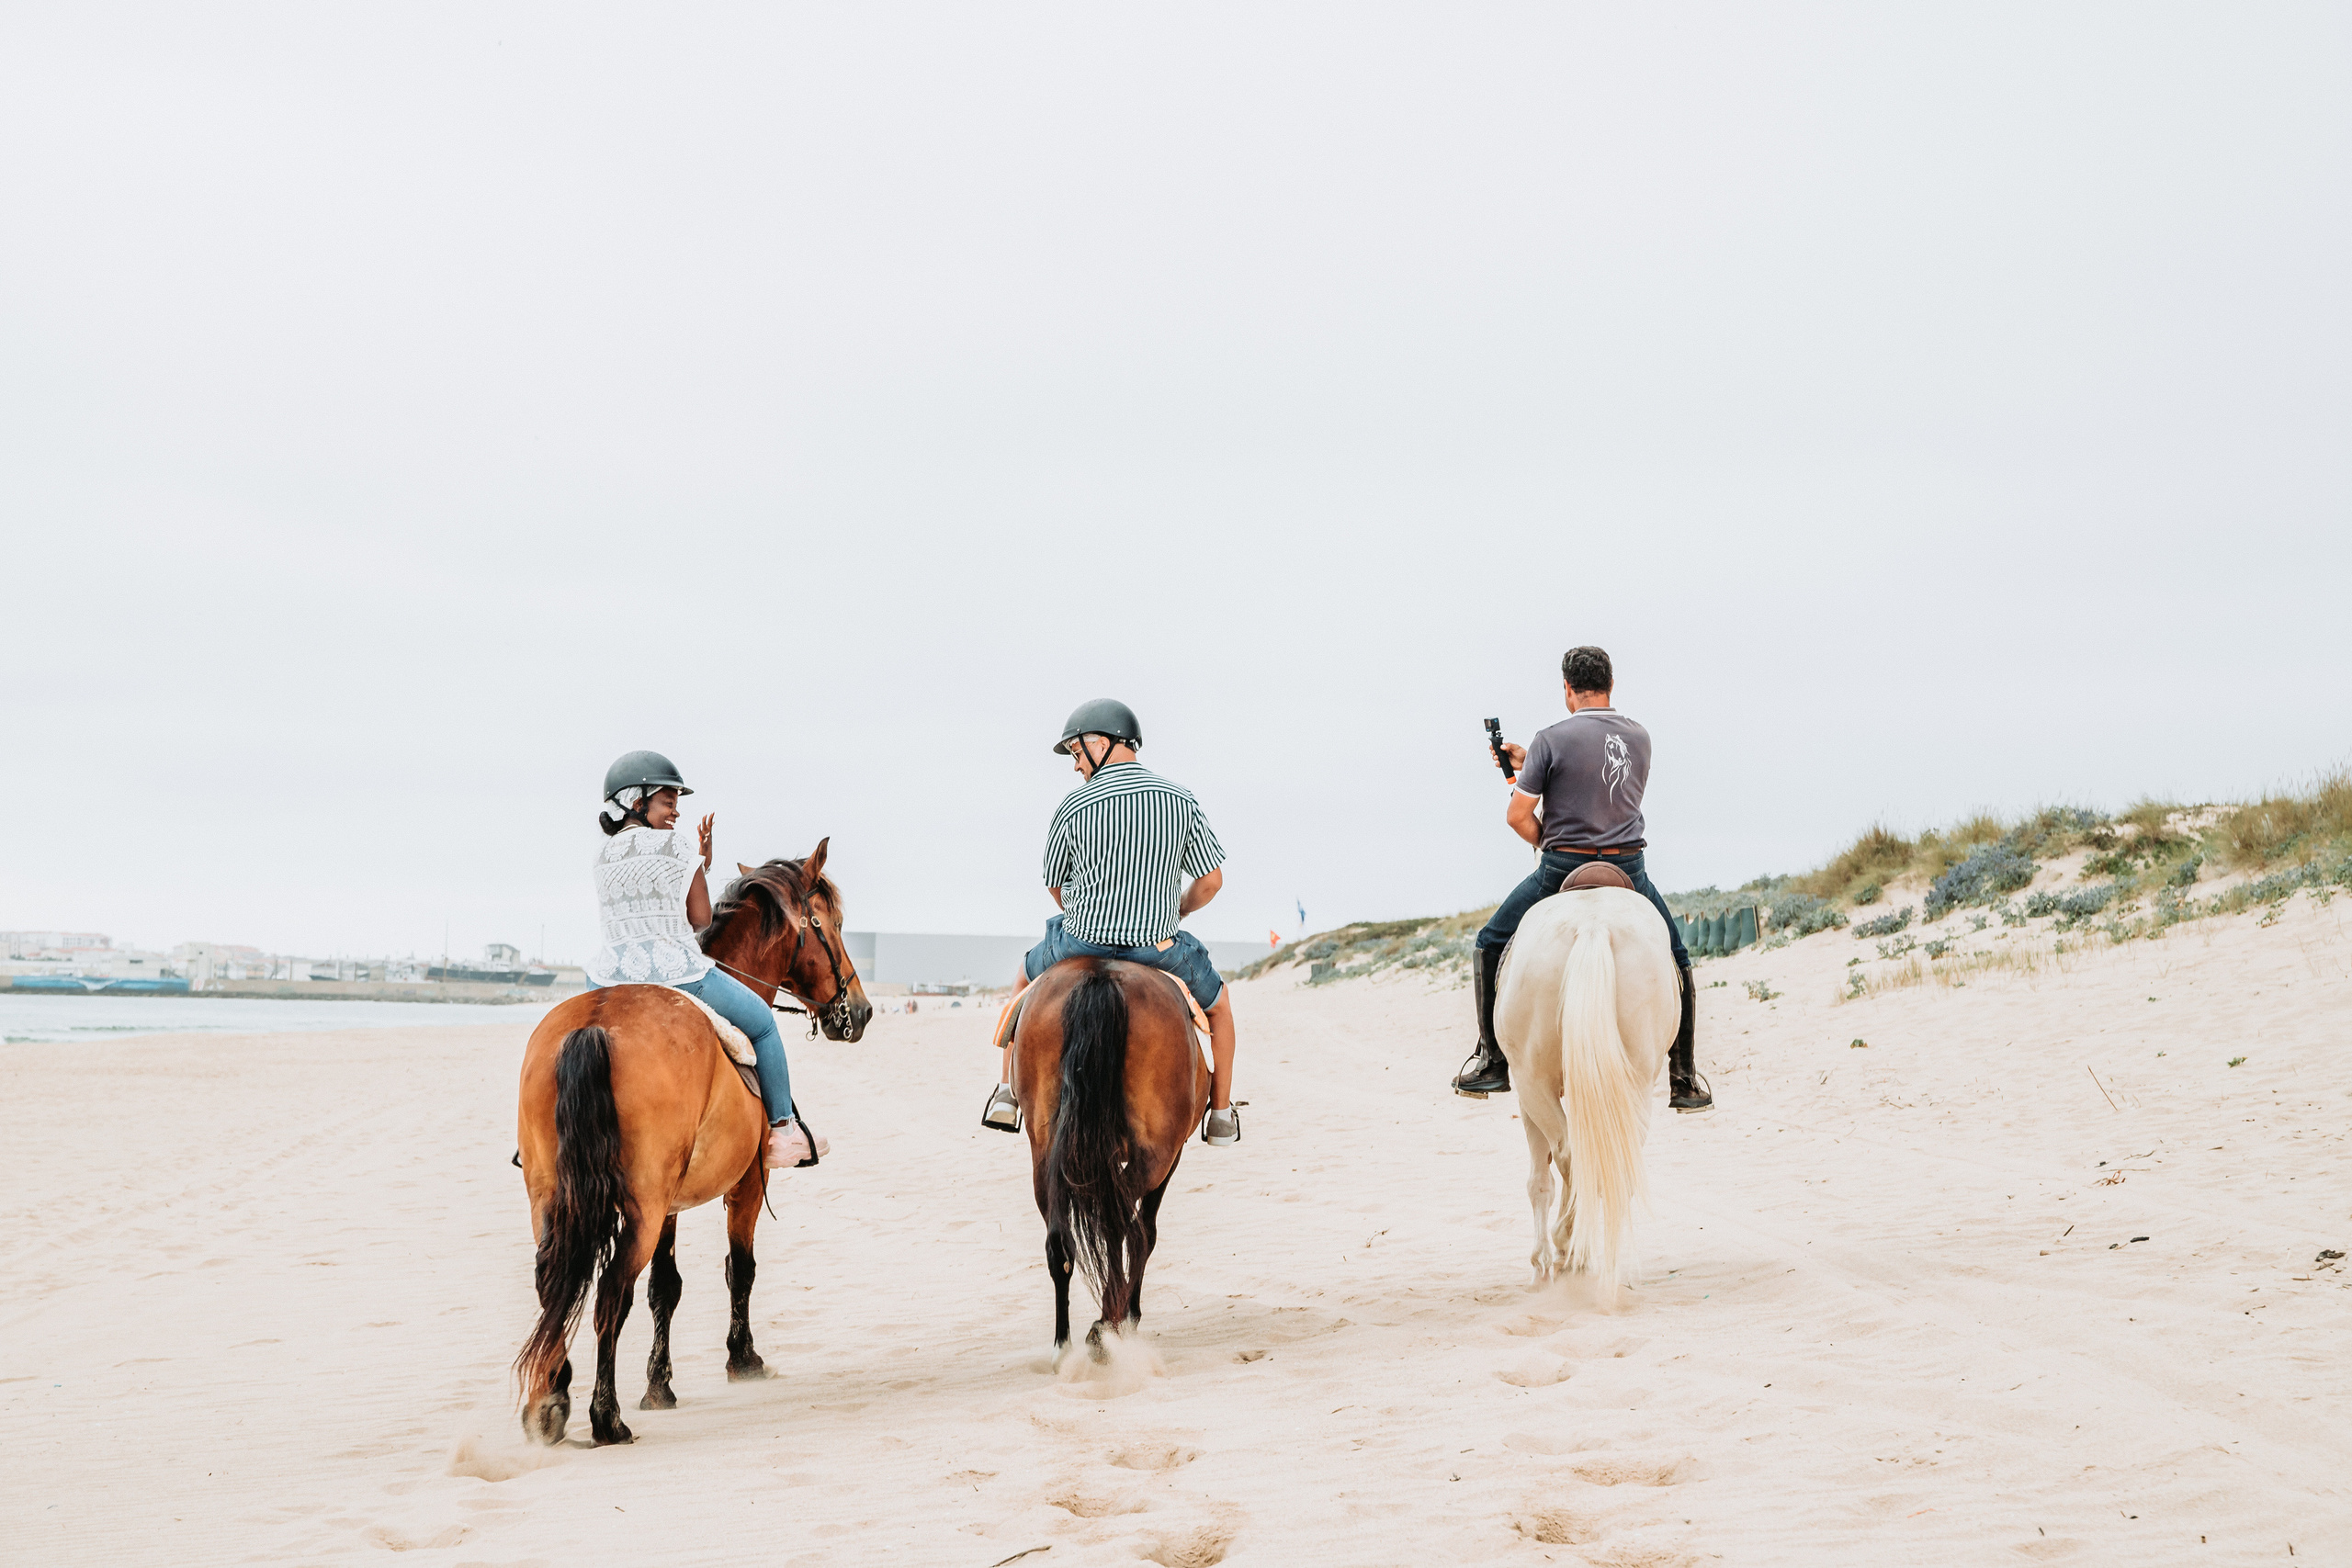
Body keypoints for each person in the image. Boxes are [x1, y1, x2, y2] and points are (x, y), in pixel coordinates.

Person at [1453, 649, 1713, 1112]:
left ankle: (1491, 1060)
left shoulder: (1551, 739)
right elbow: (1598, 777)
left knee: (1490, 941)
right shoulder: (1640, 736)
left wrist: (1544, 831)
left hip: (1561, 869)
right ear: (1611, 683)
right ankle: (1684, 1075)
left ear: (1567, 689)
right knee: (1677, 956)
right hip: (1629, 871)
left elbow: (1518, 815)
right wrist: (1532, 759)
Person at [979, 699, 1243, 1145]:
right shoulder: (1181, 799)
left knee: (1024, 976)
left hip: (1081, 940)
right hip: (1156, 945)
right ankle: (1219, 1114)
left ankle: (1005, 1092)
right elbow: (1211, 882)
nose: (1077, 765)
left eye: (1078, 753)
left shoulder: (1072, 806)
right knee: (1219, 1007)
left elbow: (1056, 888)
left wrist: (1087, 911)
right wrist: (1174, 911)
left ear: (1103, 742)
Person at [587, 750, 825, 1167]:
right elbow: (700, 920)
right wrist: (698, 866)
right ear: (636, 800)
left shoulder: (602, 856)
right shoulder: (676, 848)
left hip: (607, 978)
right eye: (667, 801)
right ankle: (785, 1132)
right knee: (765, 1026)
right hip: (677, 973)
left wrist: (693, 867)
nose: (676, 812)